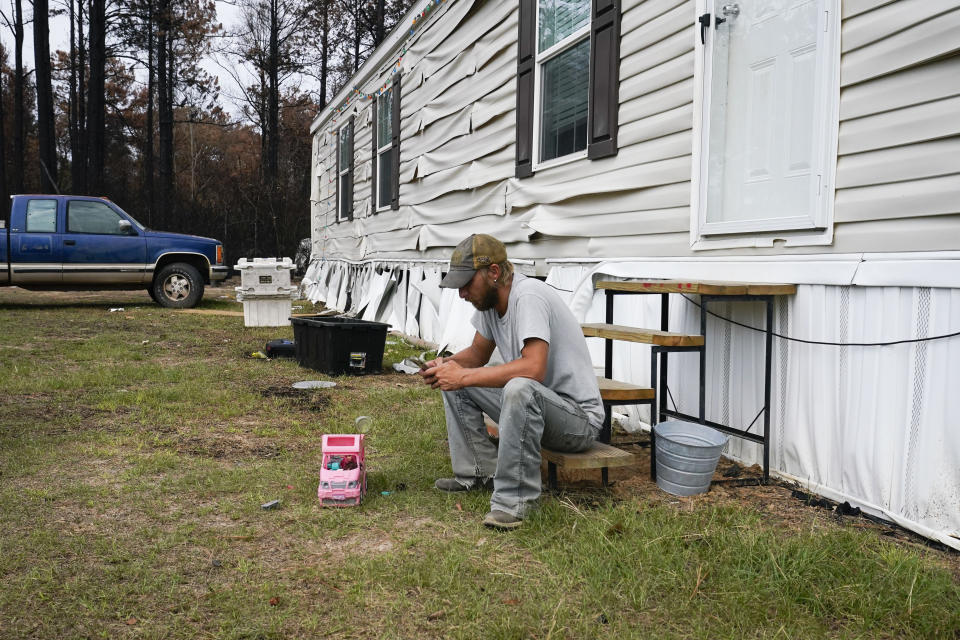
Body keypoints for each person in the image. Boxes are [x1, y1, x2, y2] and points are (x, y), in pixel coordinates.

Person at [418, 234, 604, 530]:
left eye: (467, 283)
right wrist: (445, 367)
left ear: (493, 272)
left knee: (519, 386)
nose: (462, 294)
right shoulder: (491, 304)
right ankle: (478, 473)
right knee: (452, 376)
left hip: (577, 422)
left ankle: (515, 504)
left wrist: (463, 374)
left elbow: (533, 368)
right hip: (538, 408)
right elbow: (477, 354)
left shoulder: (527, 296)